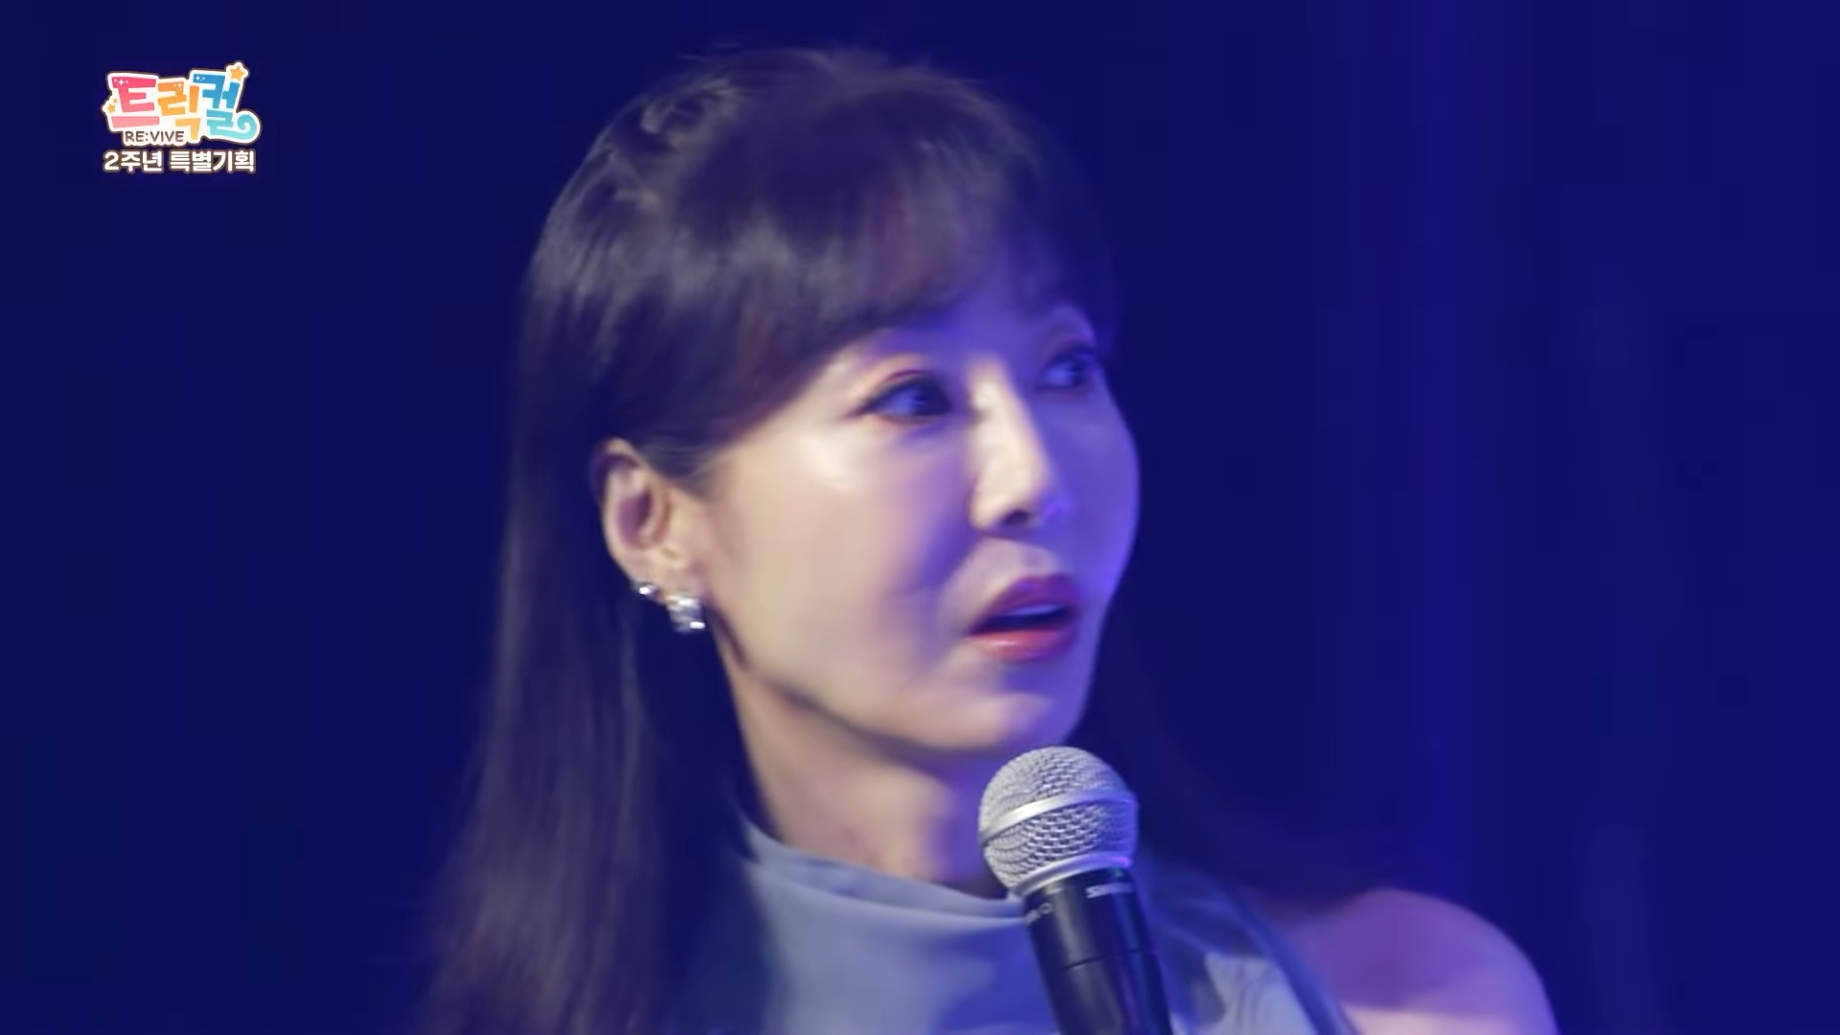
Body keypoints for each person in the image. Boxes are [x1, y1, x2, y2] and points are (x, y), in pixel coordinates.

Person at [420, 45, 1557, 1035]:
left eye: (1066, 368)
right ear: (654, 522)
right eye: (912, 398)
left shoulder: (1410, 999)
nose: (1033, 479)